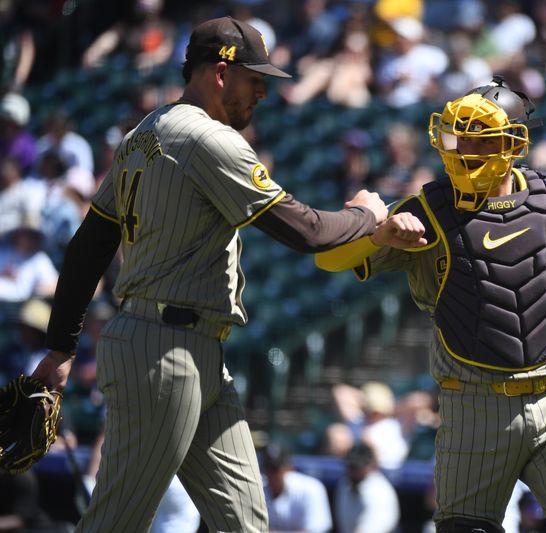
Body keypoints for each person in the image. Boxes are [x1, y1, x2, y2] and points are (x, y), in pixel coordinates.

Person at [30, 16, 393, 532]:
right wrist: (367, 214)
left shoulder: (144, 132)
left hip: (194, 348)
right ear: (220, 73)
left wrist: (62, 345)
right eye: (255, 78)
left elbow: (89, 244)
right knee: (115, 522)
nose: (264, 92)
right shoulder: (205, 138)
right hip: (162, 351)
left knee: (245, 522)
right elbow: (306, 232)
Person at [316, 75, 546, 532]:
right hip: (472, 405)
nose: (463, 152)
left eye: (480, 142)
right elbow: (327, 257)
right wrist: (377, 232)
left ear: (513, 144)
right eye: (458, 139)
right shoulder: (426, 212)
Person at [261, 443, 333, 533]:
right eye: (268, 469)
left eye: (275, 469)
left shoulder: (311, 488)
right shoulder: (259, 490)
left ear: (289, 468)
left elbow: (317, 530)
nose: (271, 474)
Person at [334, 442, 400, 533]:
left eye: (357, 467)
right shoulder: (344, 484)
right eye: (351, 466)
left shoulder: (379, 491)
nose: (353, 471)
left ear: (372, 465)